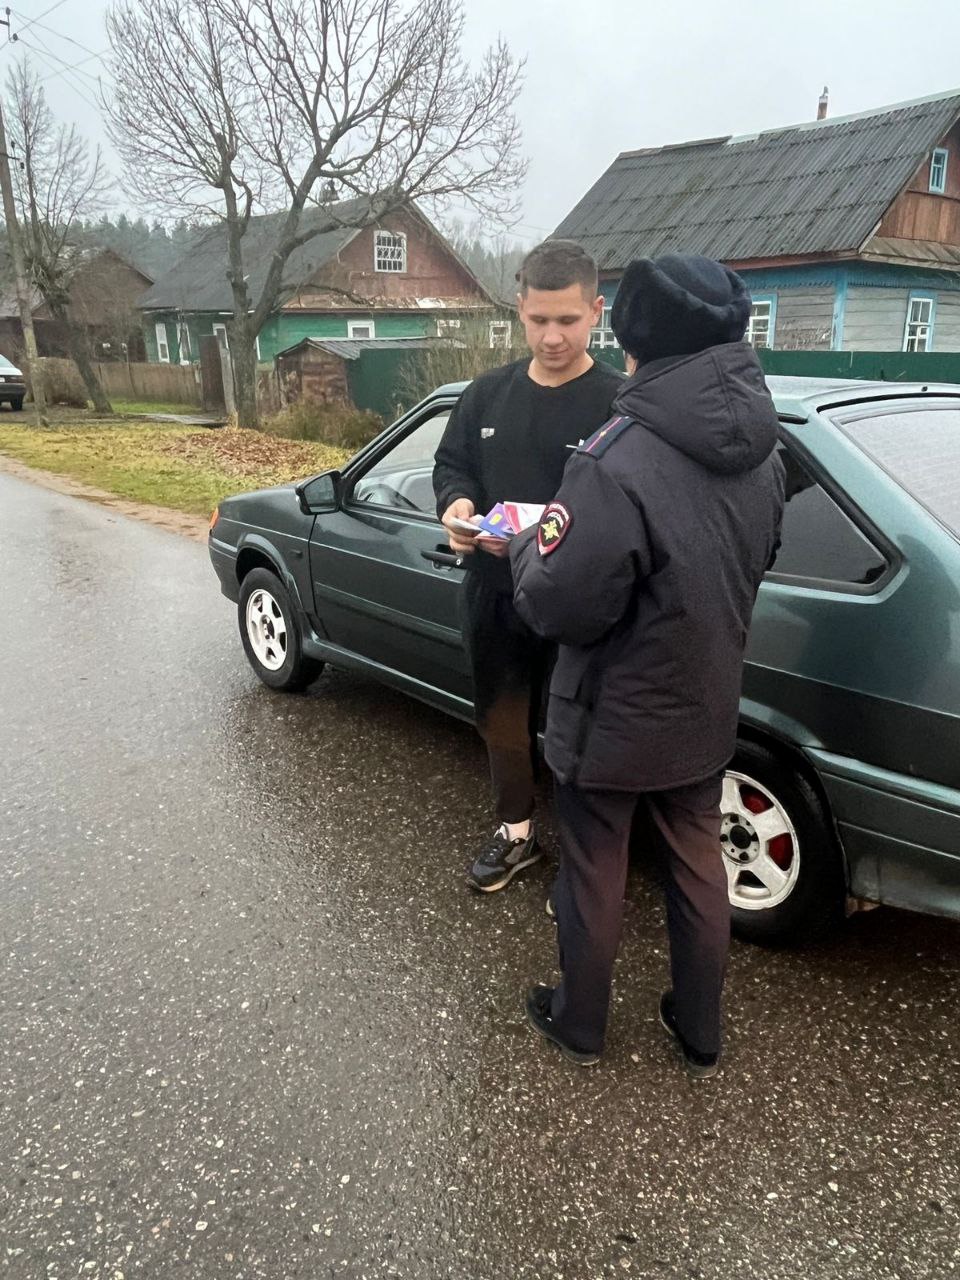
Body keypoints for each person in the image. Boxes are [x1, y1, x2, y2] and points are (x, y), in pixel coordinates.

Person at [510, 254, 786, 1076]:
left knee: (595, 865)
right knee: (698, 862)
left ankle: (580, 1022)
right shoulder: (766, 450)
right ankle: (700, 1029)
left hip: (612, 715)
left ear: (635, 342)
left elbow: (561, 604)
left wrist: (525, 545)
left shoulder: (613, 459)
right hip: (704, 704)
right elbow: (757, 557)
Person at [432, 240, 623, 893]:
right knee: (502, 720)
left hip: (581, 609)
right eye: (538, 320)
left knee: (579, 738)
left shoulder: (619, 405)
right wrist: (455, 507)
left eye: (567, 321)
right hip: (494, 593)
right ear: (519, 310)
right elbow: (451, 466)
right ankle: (516, 833)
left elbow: (634, 508)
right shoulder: (485, 396)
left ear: (597, 310)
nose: (551, 337)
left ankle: (583, 867)